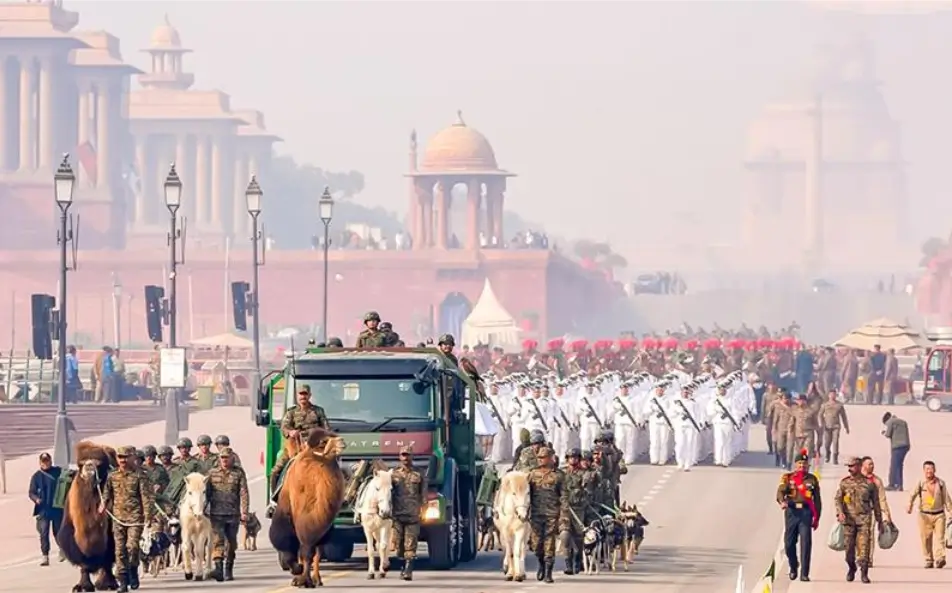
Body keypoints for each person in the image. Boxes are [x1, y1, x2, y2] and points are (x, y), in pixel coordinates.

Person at [101, 445, 155, 592]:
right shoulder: (112, 476)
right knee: (119, 550)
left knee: (132, 547)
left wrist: (148, 516)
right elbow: (107, 493)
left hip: (135, 518)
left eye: (126, 457)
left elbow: (147, 497)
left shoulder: (140, 475)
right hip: (118, 518)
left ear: (133, 457)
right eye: (120, 457)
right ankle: (123, 581)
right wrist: (103, 506)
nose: (123, 460)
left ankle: (133, 570)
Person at [268, 385, 329, 498]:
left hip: (315, 447)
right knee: (275, 472)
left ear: (309, 395)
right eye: (301, 394)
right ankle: (275, 500)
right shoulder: (291, 412)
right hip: (294, 447)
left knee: (333, 469)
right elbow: (284, 427)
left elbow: (326, 429)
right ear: (297, 396)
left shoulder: (318, 411)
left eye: (305, 394)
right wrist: (290, 432)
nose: (303, 397)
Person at [834, 456, 883, 583]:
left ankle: (864, 573)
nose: (850, 469)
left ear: (859, 466)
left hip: (864, 520)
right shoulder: (844, 483)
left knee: (864, 547)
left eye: (852, 466)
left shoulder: (869, 484)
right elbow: (838, 499)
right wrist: (840, 513)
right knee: (849, 551)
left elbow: (876, 503)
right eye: (849, 467)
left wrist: (880, 521)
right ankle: (852, 567)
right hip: (849, 521)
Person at [776, 448, 821, 581]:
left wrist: (817, 517)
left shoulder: (812, 480)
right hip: (792, 512)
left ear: (808, 465)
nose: (802, 466)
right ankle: (793, 566)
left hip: (806, 513)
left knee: (806, 543)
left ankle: (804, 573)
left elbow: (817, 500)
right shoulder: (788, 478)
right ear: (795, 465)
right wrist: (782, 502)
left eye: (804, 464)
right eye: (800, 463)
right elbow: (780, 492)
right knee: (789, 543)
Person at [206, 447, 249, 582]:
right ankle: (218, 569)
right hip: (216, 514)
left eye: (227, 458)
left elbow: (243, 493)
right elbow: (206, 493)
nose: (224, 460)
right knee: (217, 540)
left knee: (231, 542)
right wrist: (203, 510)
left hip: (233, 514)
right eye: (222, 458)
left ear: (232, 459)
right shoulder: (212, 473)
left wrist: (244, 512)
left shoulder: (238, 473)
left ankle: (228, 569)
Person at [527, 446, 567, 583]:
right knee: (536, 544)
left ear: (551, 458)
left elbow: (564, 497)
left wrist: (564, 515)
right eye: (539, 458)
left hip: (552, 515)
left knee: (549, 543)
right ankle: (541, 565)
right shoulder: (532, 474)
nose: (540, 460)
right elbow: (527, 495)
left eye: (543, 458)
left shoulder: (559, 475)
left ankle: (549, 572)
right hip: (536, 514)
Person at [906, 460, 952, 569]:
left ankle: (940, 558)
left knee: (940, 538)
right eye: (927, 469)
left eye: (931, 469)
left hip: (939, 515)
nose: (929, 471)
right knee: (925, 539)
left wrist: (950, 511)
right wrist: (909, 505)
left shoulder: (941, 483)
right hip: (924, 516)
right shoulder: (921, 482)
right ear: (923, 471)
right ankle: (928, 559)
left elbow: (947, 499)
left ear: (934, 470)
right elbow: (912, 494)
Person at [391, 445, 427, 580]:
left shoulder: (419, 474)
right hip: (397, 515)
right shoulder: (394, 474)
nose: (405, 458)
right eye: (403, 455)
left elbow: (423, 494)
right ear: (400, 457)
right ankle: (402, 568)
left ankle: (408, 570)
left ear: (412, 456)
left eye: (408, 455)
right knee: (398, 545)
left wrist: (424, 510)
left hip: (413, 515)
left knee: (410, 544)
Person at [29, 452, 63, 566]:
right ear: (40, 462)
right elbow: (31, 492)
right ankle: (45, 556)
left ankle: (62, 550)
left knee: (58, 531)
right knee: (43, 532)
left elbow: (68, 477)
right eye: (43, 461)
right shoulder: (36, 476)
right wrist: (36, 499)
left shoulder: (58, 471)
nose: (45, 463)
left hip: (57, 508)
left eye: (47, 461)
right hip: (44, 509)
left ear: (50, 461)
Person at [860, 456, 892, 568]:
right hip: (857, 512)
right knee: (858, 535)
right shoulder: (856, 479)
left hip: (871, 511)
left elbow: (882, 499)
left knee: (869, 535)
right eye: (869, 464)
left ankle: (868, 558)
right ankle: (860, 556)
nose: (871, 466)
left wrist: (887, 515)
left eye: (872, 464)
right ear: (863, 466)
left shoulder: (877, 481)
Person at [560, 448, 587, 575]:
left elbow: (588, 488)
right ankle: (567, 563)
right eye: (571, 457)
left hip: (578, 509)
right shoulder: (562, 473)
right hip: (564, 510)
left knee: (578, 537)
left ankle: (579, 559)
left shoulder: (583, 474)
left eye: (576, 457)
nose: (573, 460)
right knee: (565, 536)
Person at [818, 390, 850, 464]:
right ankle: (827, 454)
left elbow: (843, 417)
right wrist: (821, 423)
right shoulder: (824, 405)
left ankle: (835, 458)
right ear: (829, 395)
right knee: (827, 443)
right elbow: (820, 415)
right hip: (827, 426)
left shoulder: (839, 405)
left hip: (836, 426)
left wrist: (846, 427)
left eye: (834, 394)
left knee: (835, 442)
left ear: (836, 395)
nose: (832, 396)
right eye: (831, 394)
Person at [882, 412, 911, 491]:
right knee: (899, 466)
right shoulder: (903, 421)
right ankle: (899, 485)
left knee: (894, 466)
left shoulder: (891, 422)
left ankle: (892, 484)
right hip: (906, 446)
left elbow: (888, 434)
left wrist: (884, 433)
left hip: (897, 447)